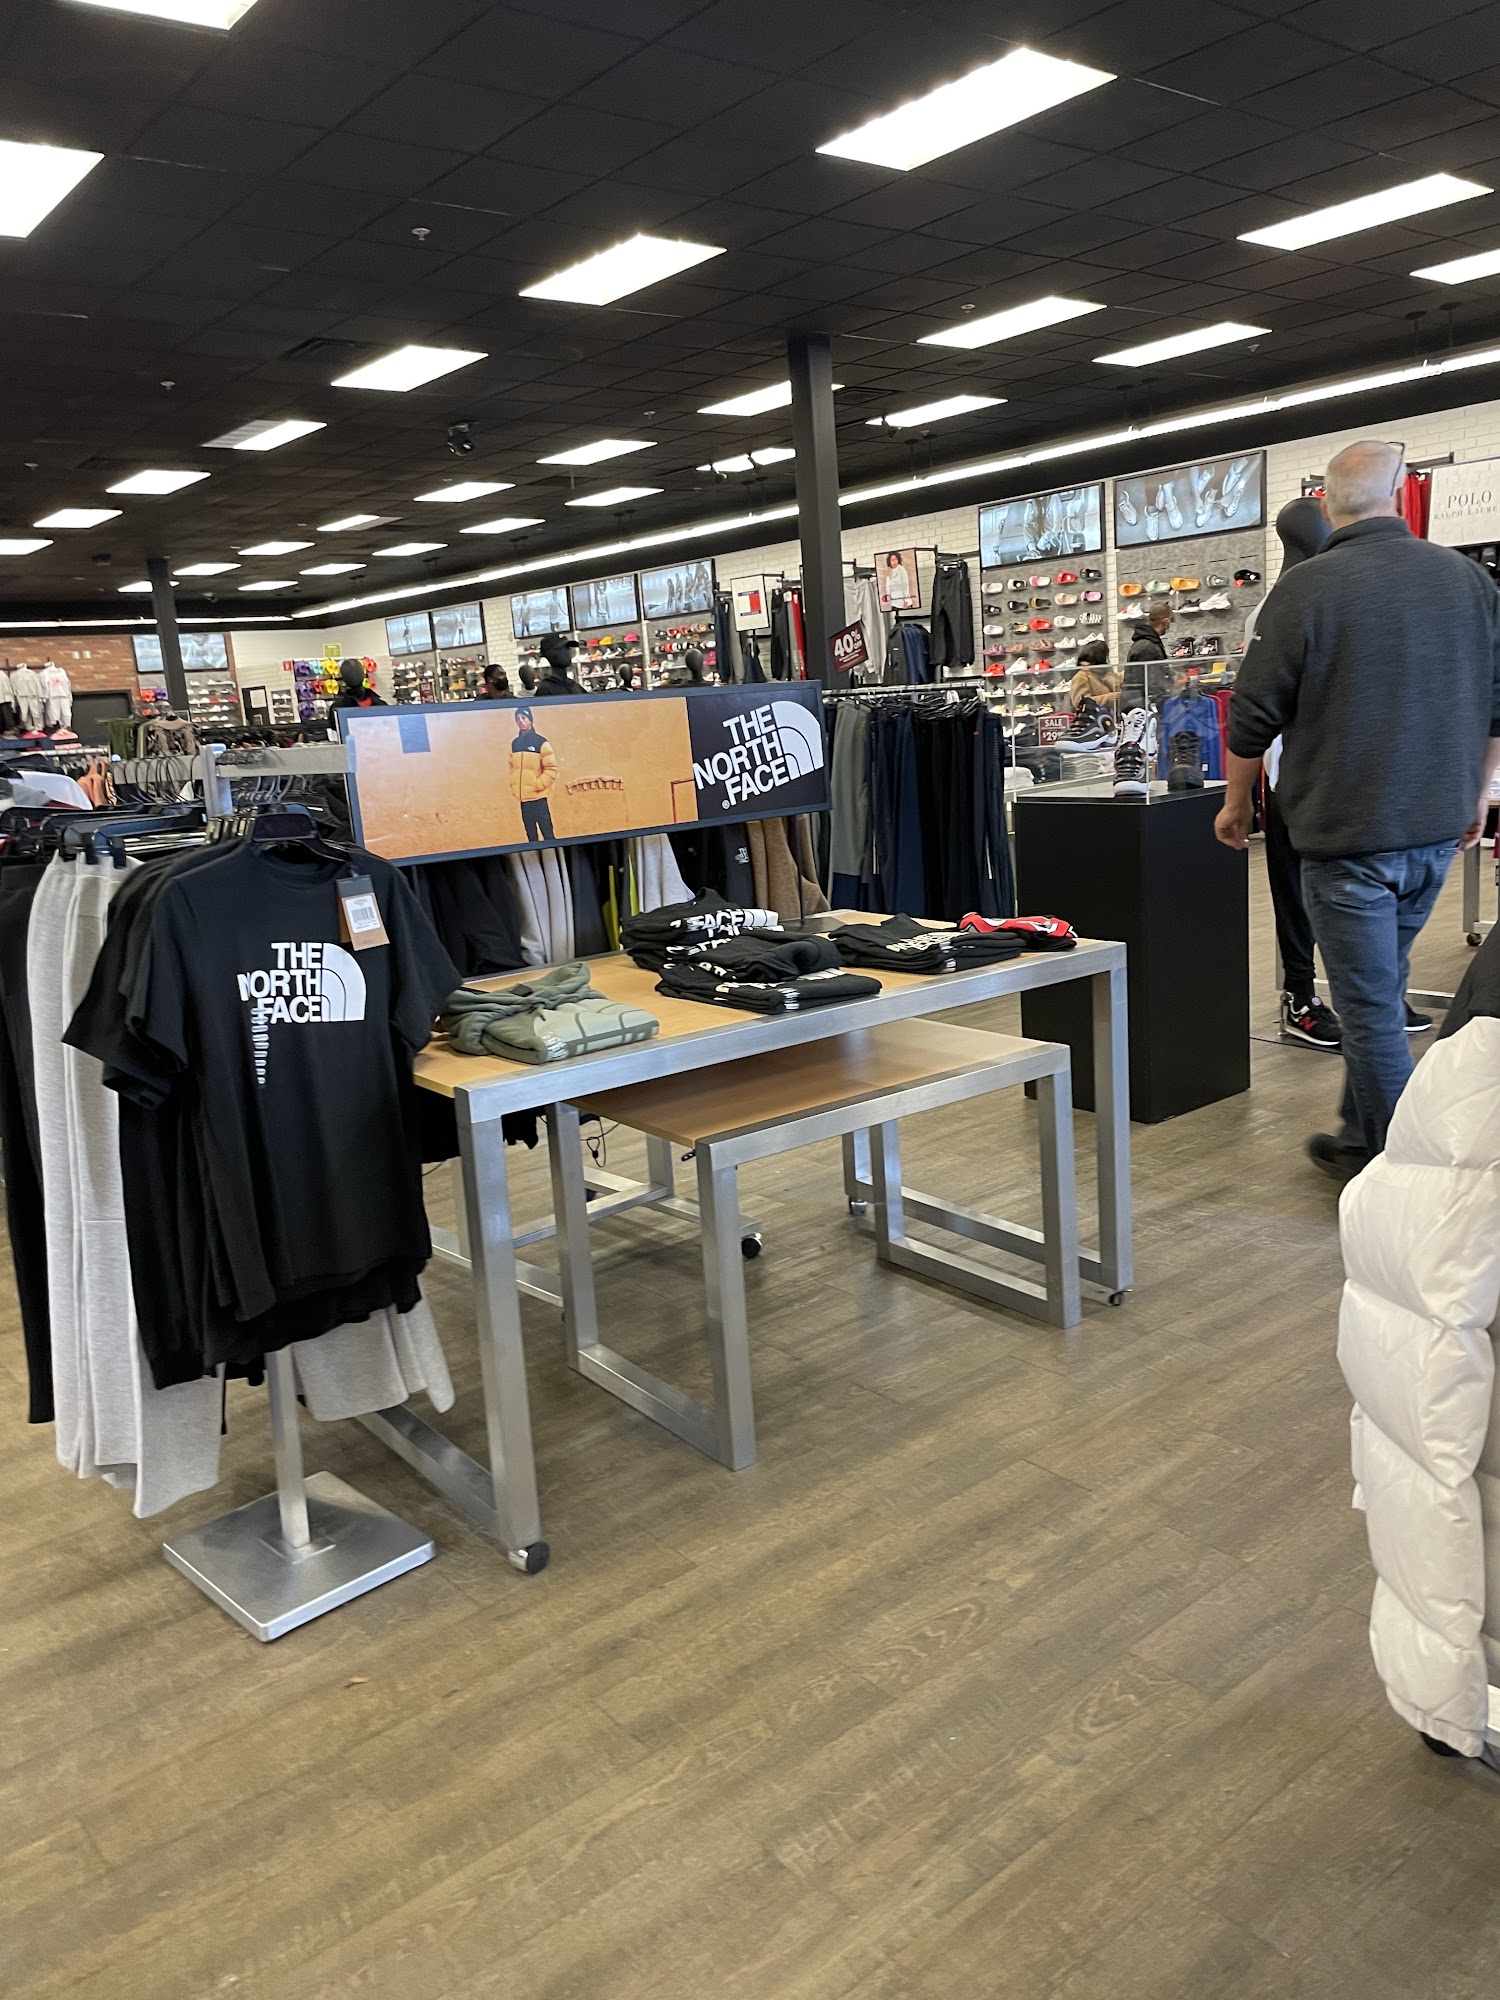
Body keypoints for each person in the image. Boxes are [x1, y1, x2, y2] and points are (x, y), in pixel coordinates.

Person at [1216, 439, 1500, 1181]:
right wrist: (1478, 792)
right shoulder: (1467, 581)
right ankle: (1357, 1130)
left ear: (1328, 504)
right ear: (1398, 495)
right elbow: (1496, 702)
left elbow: (1252, 713)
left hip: (1348, 836)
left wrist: (1238, 801)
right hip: (1436, 826)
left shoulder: (1305, 589)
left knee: (1369, 1008)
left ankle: (1400, 1168)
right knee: (1382, 984)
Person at [1247, 497, 1342, 1052]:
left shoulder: (1337, 593)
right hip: (1291, 775)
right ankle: (1300, 996)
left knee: (1347, 889)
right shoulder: (1274, 608)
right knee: (1296, 892)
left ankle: (1365, 991)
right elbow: (1257, 706)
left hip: (1337, 772)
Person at [508, 704, 558, 844]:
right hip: (524, 800)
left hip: (538, 798)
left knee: (548, 835)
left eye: (523, 717)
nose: (520, 721)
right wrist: (514, 784)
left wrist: (537, 784)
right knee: (531, 837)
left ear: (530, 720)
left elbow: (551, 768)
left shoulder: (540, 742)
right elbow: (512, 767)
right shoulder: (515, 744)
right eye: (518, 718)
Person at [1125, 598, 1172, 706]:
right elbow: (1152, 682)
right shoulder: (1148, 646)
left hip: (1141, 702)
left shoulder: (1146, 643)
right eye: (1170, 620)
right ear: (1166, 621)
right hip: (1145, 704)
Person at [1069, 640, 1120, 714]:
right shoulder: (1082, 676)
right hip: (1092, 717)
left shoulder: (1104, 673)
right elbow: (1080, 703)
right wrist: (1110, 698)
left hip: (1108, 716)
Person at [535, 632, 583, 698]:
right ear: (551, 653)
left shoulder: (575, 686)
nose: (568, 651)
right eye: (562, 649)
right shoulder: (545, 690)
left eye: (568, 647)